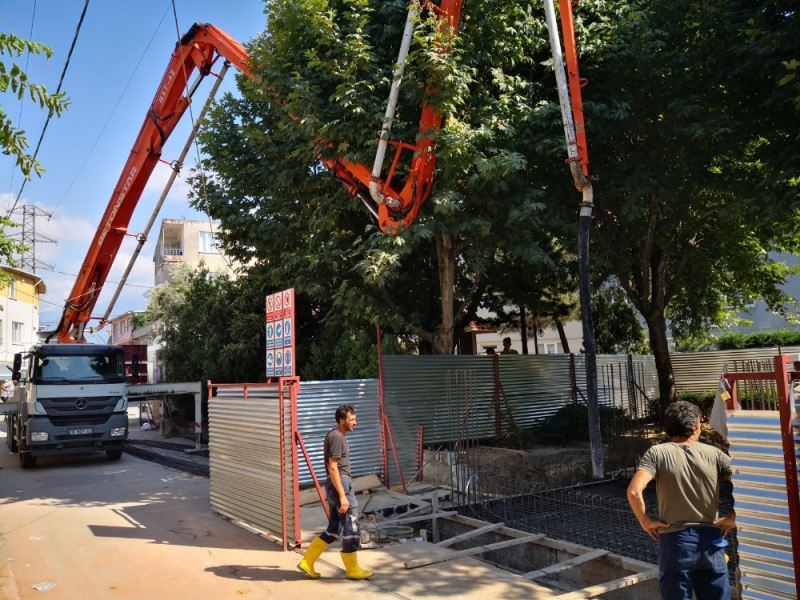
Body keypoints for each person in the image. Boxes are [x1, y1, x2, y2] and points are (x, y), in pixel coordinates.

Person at [627, 401, 736, 600]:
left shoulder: (657, 453)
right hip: (711, 541)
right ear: (697, 425)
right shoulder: (715, 454)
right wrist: (732, 518)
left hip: (675, 543)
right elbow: (747, 486)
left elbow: (634, 492)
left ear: (668, 427)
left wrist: (646, 522)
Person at [297, 404, 373, 580]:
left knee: (334, 528)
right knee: (351, 526)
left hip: (334, 485)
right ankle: (352, 569)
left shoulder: (334, 434)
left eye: (355, 419)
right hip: (341, 485)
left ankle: (307, 562)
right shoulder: (337, 437)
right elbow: (333, 468)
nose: (355, 422)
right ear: (342, 420)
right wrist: (342, 496)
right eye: (352, 419)